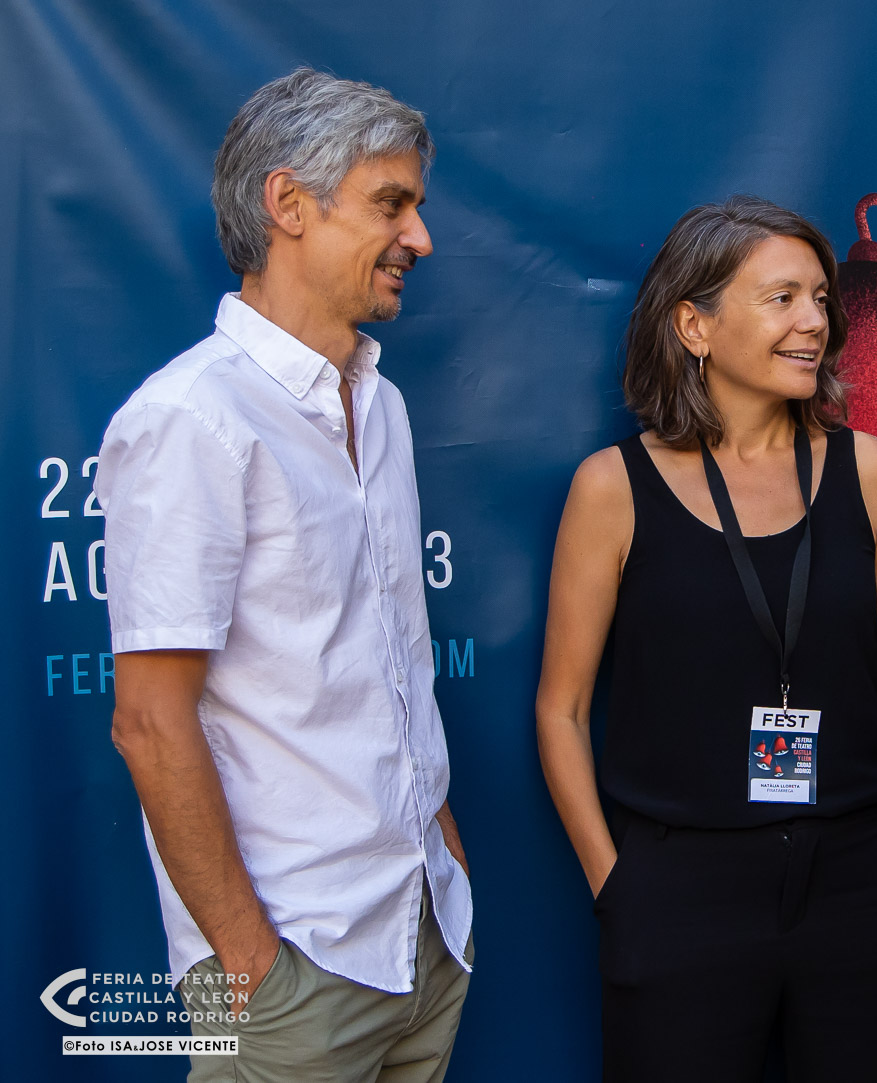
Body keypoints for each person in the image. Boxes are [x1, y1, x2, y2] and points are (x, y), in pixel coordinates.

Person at [97, 69, 473, 1082]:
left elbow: (387, 661)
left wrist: (442, 858)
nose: (420, 237)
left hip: (421, 935)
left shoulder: (380, 405)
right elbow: (149, 720)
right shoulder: (191, 419)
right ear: (289, 204)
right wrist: (251, 965)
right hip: (290, 969)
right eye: (391, 204)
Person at [536, 195, 877, 1082]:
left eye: (820, 298)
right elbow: (561, 709)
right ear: (694, 325)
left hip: (865, 882)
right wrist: (618, 885)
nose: (816, 322)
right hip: (681, 893)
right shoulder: (612, 487)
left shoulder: (869, 470)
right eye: (782, 298)